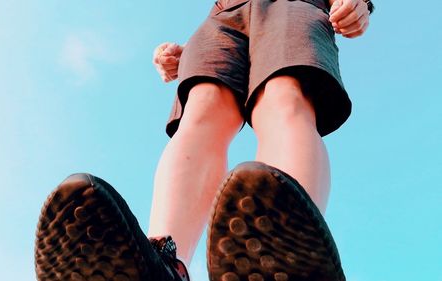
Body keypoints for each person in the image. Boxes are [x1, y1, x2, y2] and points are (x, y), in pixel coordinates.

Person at [34, 0, 374, 280]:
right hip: (222, 14)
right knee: (201, 110)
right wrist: (182, 56)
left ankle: (285, 247)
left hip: (295, 4)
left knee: (283, 95)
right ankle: (165, 263)